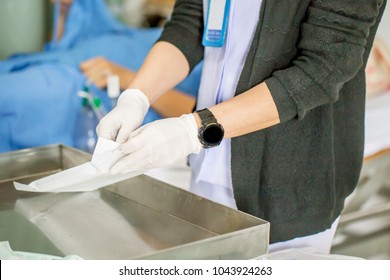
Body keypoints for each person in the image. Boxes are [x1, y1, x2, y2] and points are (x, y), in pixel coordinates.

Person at [97, 0, 387, 254]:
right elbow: (189, 23)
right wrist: (135, 98)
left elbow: (323, 68)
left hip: (287, 183)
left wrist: (194, 130)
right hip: (208, 163)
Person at [0, 0, 201, 152]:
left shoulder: (218, 68)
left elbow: (199, 114)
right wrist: (67, 13)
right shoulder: (185, 30)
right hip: (59, 60)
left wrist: (128, 80)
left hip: (84, 88)